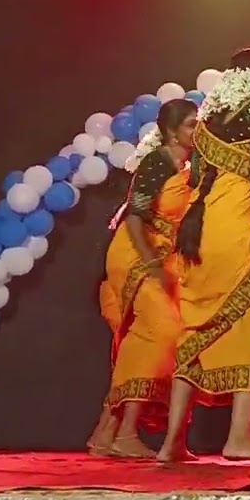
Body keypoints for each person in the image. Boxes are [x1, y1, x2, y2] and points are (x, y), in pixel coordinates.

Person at [157, 48, 250, 464]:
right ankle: (239, 438)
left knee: (195, 332)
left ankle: (172, 443)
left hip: (200, 233)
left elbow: (196, 179)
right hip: (238, 232)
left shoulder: (207, 122)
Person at [86, 99, 198, 458]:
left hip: (164, 256)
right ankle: (125, 432)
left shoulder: (189, 168)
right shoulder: (157, 162)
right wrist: (151, 262)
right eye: (190, 125)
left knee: (151, 338)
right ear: (170, 131)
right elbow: (135, 217)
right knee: (161, 331)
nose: (196, 131)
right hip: (137, 252)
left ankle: (108, 432)